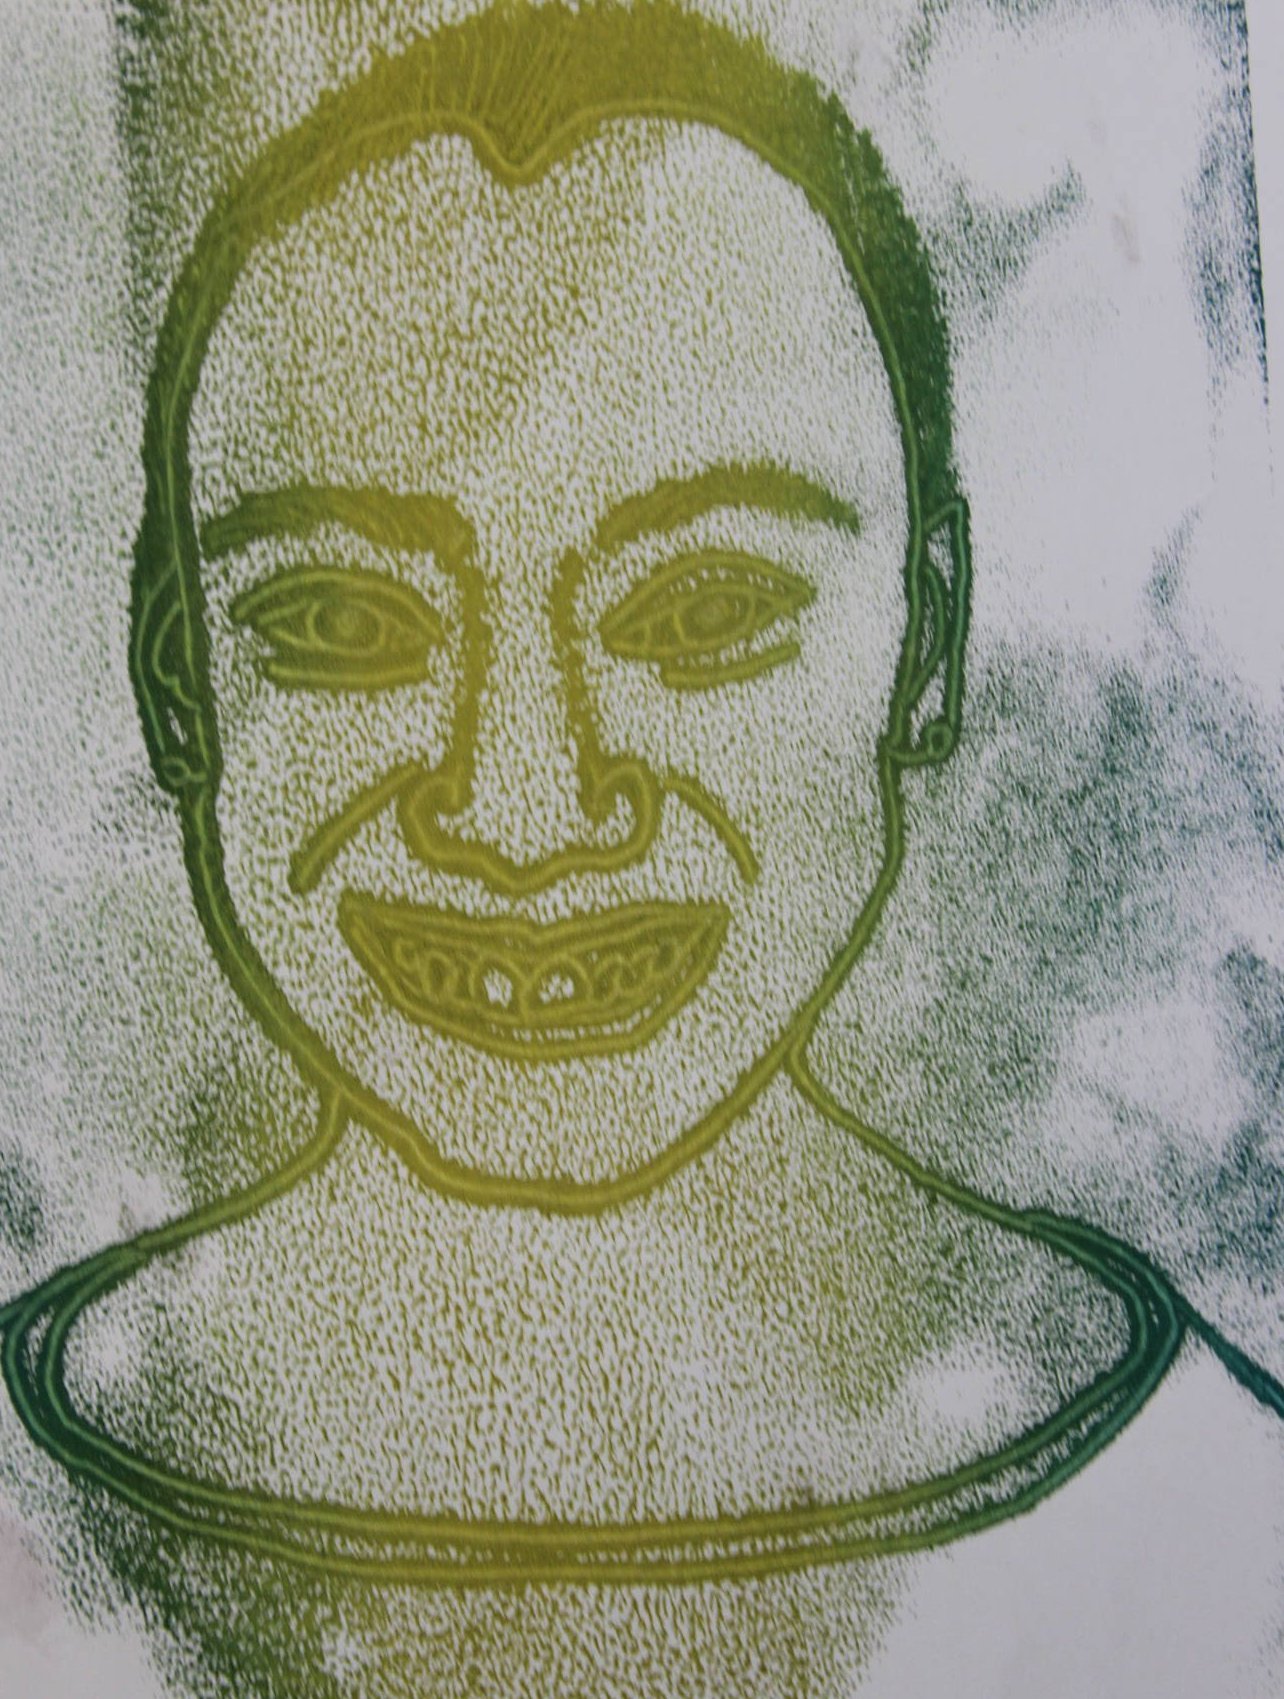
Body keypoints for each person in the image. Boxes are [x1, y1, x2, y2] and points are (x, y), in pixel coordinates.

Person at [1, 0, 1278, 1605]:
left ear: (927, 642)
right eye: (339, 621)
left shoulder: (1222, 1518)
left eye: (706, 610)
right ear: (178, 680)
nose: (524, 810)